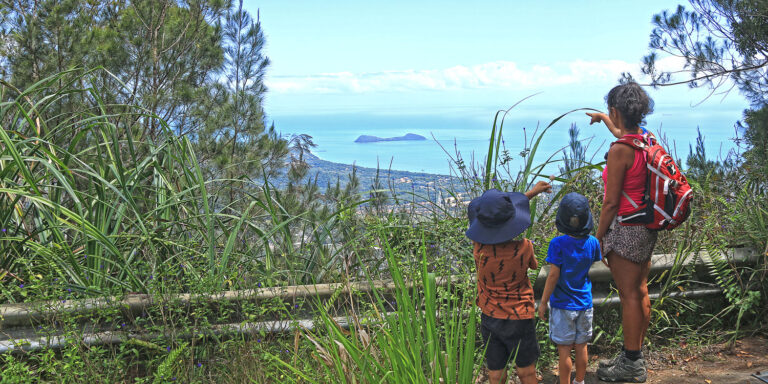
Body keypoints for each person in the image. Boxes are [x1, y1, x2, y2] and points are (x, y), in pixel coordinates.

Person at [586, 81, 658, 383]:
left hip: (626, 228)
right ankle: (634, 354)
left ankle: (632, 365)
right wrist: (604, 119)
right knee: (639, 290)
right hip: (646, 225)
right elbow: (622, 134)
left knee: (629, 294)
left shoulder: (619, 152)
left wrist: (598, 238)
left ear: (617, 110)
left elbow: (611, 203)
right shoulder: (646, 139)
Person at [465, 181, 552, 384]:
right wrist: (531, 194)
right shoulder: (525, 247)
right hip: (519, 315)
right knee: (526, 370)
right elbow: (534, 265)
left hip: (490, 316)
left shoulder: (479, 250)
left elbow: (482, 228)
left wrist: (527, 195)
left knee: (496, 371)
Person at [538, 192, 601, 384]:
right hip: (584, 303)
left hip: (563, 305)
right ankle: (579, 381)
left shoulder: (558, 244)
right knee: (582, 347)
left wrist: (543, 302)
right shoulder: (593, 242)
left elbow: (554, 275)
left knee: (564, 350)